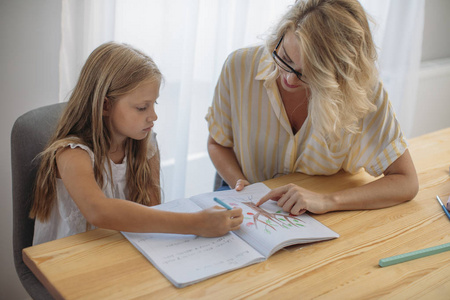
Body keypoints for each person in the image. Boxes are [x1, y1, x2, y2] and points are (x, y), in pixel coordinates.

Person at [206, 0, 418, 215]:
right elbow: (218, 143)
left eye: (310, 74)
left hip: (317, 216)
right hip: (249, 201)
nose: (289, 78)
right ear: (279, 36)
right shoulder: (239, 67)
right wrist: (240, 184)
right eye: (285, 58)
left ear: (340, 73)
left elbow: (406, 181)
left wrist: (328, 201)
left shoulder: (363, 93)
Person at [30, 42, 243, 245]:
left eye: (154, 104)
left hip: (120, 250)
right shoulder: (72, 153)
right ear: (105, 105)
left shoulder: (146, 145)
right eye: (142, 107)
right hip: (72, 261)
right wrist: (195, 223)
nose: (153, 116)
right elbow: (98, 211)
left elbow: (153, 213)